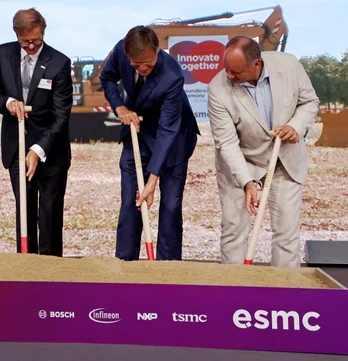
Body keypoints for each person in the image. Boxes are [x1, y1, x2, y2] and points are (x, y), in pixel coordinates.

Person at [207, 36, 319, 267]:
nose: (229, 76)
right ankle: (233, 293)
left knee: (287, 236)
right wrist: (248, 182)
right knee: (234, 232)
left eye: (235, 72)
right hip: (241, 163)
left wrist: (295, 126)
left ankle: (284, 296)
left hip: (284, 161)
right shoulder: (217, 89)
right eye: (226, 69)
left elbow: (309, 102)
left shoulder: (289, 65)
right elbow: (227, 143)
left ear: (256, 64)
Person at [99, 26, 198, 261]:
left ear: (157, 51)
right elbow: (107, 78)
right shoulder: (120, 51)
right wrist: (120, 107)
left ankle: (167, 268)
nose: (142, 69)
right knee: (131, 202)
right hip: (137, 133)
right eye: (136, 65)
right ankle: (125, 264)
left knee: (171, 207)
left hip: (173, 139)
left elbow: (167, 129)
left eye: (148, 64)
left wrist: (153, 178)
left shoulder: (172, 75)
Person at [0, 8, 73, 255]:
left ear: (43, 33)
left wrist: (38, 149)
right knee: (24, 211)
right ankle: (25, 268)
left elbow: (61, 116)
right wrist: (8, 103)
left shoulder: (59, 63)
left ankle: (50, 271)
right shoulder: (3, 54)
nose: (31, 47)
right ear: (17, 35)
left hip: (51, 149)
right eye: (26, 43)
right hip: (16, 148)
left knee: (49, 213)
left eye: (36, 41)